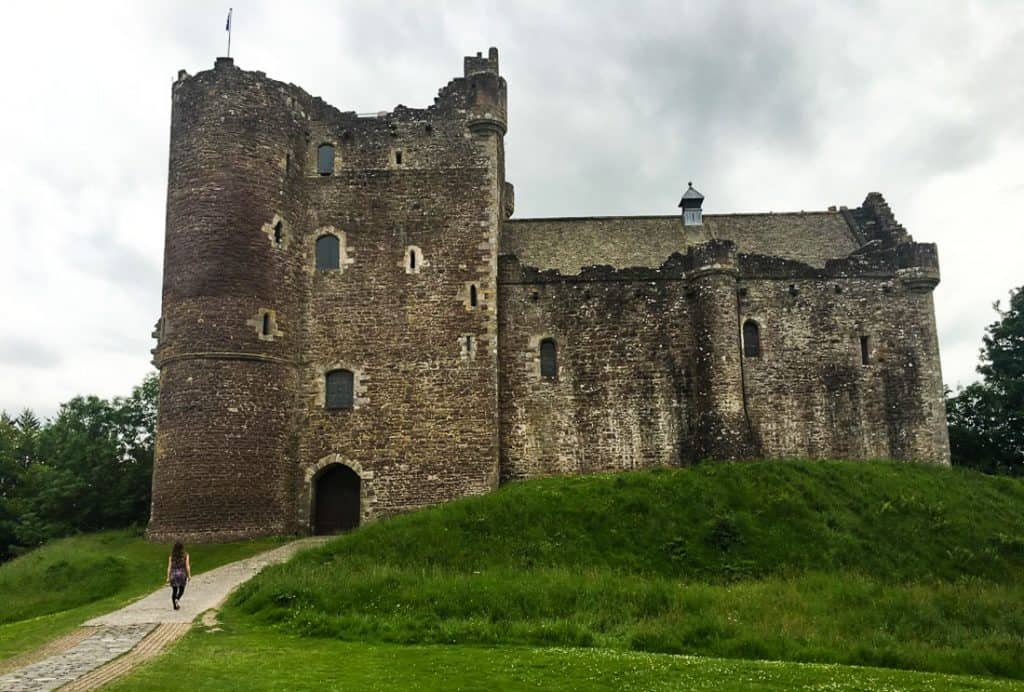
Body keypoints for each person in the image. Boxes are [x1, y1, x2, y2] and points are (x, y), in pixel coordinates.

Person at [166, 542, 191, 610]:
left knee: (174, 590)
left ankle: (175, 606)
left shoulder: (171, 556)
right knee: (181, 589)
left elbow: (169, 567)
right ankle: (177, 598)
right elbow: (187, 566)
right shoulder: (185, 555)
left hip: (173, 574)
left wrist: (168, 577)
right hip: (182, 574)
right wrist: (189, 575)